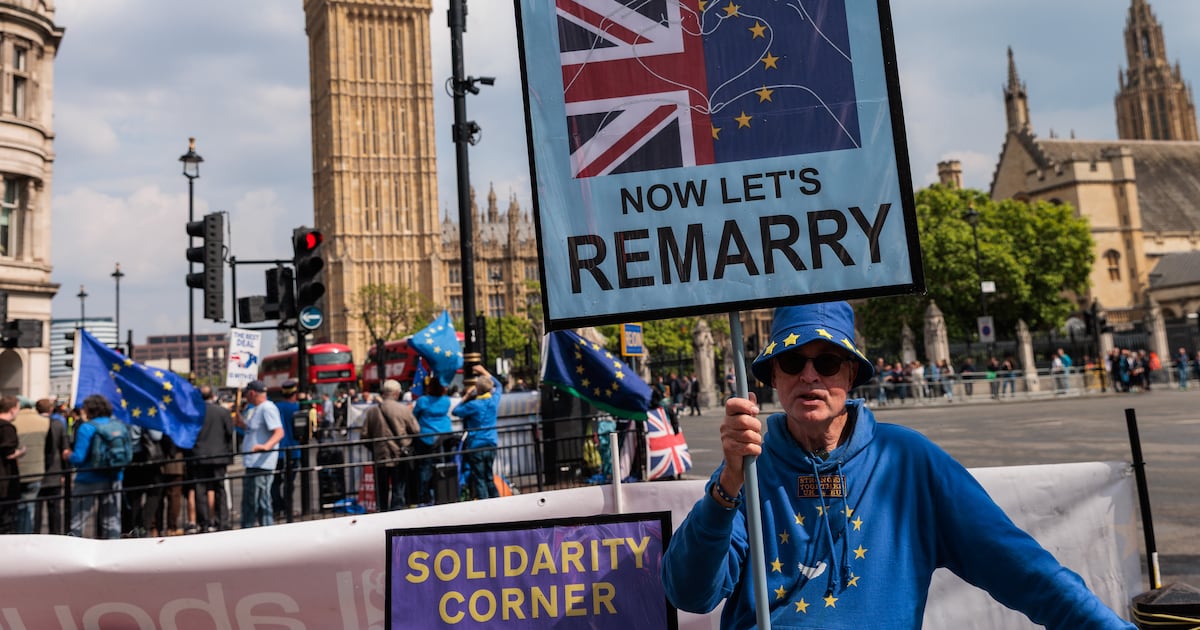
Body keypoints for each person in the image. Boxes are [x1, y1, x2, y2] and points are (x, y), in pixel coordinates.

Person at [661, 301, 1134, 629]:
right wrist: (727, 485)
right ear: (771, 376)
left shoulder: (908, 460)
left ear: (850, 373)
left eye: (827, 362)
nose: (809, 375)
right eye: (791, 361)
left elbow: (1025, 570)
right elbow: (690, 593)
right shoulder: (750, 468)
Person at [67, 394, 125, 539]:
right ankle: (112, 551)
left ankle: (76, 553)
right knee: (112, 521)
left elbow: (78, 458)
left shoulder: (86, 428)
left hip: (88, 479)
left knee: (78, 521)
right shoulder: (117, 425)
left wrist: (68, 455)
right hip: (113, 477)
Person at [361, 379, 419, 511]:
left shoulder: (372, 412)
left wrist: (374, 448)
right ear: (397, 393)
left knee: (381, 490)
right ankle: (396, 515)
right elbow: (416, 429)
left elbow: (364, 436)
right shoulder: (403, 409)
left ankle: (382, 514)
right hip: (399, 455)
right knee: (398, 489)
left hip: (380, 455)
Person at [237, 380, 284, 528]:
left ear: (252, 393)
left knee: (260, 499)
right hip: (255, 462)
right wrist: (242, 425)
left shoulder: (267, 408)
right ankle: (251, 528)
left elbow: (279, 432)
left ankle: (264, 529)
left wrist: (266, 446)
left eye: (246, 394)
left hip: (261, 463)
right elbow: (255, 432)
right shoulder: (257, 409)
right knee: (252, 499)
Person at [453, 364, 501, 500]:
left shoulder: (472, 405)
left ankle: (485, 506)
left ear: (477, 390)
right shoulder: (493, 401)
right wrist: (485, 371)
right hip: (491, 442)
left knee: (480, 478)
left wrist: (466, 396)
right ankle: (498, 502)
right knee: (489, 476)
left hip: (476, 444)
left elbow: (455, 411)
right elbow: (499, 386)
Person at [192, 385, 234, 532]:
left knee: (200, 491)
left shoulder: (195, 414)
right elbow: (229, 433)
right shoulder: (222, 412)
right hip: (219, 456)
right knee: (220, 489)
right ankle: (222, 521)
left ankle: (204, 523)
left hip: (200, 456)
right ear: (213, 396)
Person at [413, 377, 452, 505]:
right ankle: (443, 493)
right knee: (442, 466)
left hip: (426, 437)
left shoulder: (422, 401)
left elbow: (415, 416)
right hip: (445, 436)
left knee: (425, 468)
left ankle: (424, 498)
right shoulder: (446, 400)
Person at [12, 397, 48, 533]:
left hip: (17, 472)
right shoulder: (44, 422)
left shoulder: (13, 422)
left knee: (14, 510)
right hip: (36, 472)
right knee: (29, 509)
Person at [35, 398, 69, 535]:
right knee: (55, 510)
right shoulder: (58, 425)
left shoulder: (34, 425)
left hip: (36, 473)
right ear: (50, 409)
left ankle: (35, 536)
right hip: (54, 473)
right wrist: (64, 473)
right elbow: (64, 450)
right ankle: (56, 536)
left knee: (36, 510)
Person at [271, 379, 302, 520]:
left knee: (275, 482)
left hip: (277, 451)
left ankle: (278, 508)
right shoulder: (297, 407)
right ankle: (288, 510)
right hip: (293, 451)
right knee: (289, 483)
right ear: (294, 393)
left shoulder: (275, 407)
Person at [0, 395, 26, 534]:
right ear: (12, 409)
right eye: (18, 409)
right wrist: (21, 452)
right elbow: (8, 453)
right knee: (6, 521)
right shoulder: (7, 428)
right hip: (5, 482)